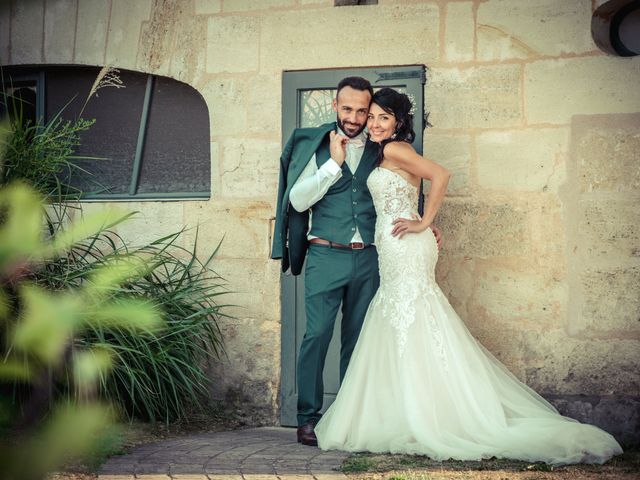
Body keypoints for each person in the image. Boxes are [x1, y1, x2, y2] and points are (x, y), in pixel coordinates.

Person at [314, 87, 623, 465]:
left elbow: (442, 175)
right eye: (372, 116)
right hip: (397, 246)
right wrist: (422, 224)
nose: (375, 124)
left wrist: (425, 223)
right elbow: (407, 191)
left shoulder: (396, 150)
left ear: (398, 123)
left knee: (411, 315)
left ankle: (426, 414)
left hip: (405, 245)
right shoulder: (386, 152)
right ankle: (409, 408)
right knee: (405, 318)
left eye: (384, 118)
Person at [271, 76, 442, 447]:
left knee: (359, 340)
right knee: (316, 335)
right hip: (325, 254)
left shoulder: (383, 148)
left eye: (362, 110)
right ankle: (308, 418)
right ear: (335, 106)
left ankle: (348, 418)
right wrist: (332, 166)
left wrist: (424, 224)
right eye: (347, 108)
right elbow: (297, 201)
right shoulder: (314, 144)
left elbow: (406, 186)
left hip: (370, 258)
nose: (355, 116)